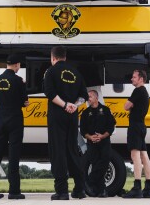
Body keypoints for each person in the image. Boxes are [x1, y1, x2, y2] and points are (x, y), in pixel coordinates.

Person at [43, 46, 89, 200]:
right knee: (72, 149)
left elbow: (50, 93)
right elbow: (84, 96)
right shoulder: (76, 73)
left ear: (53, 57)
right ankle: (79, 189)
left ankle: (62, 191)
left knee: (58, 151)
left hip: (57, 115)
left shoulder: (50, 71)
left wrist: (64, 105)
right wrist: (74, 105)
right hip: (72, 116)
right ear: (65, 57)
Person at [0, 55, 28, 200]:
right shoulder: (18, 80)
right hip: (14, 119)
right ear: (17, 65)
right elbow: (25, 102)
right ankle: (14, 191)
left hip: (0, 119)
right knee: (14, 155)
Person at [123, 69, 150, 199]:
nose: (132, 79)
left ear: (141, 79)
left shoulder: (138, 91)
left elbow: (126, 106)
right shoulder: (145, 93)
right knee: (144, 155)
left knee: (135, 155)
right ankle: (148, 187)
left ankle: (137, 187)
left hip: (135, 126)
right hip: (142, 126)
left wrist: (130, 105)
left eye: (134, 77)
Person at [80, 89, 116, 198]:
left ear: (96, 97)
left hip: (104, 141)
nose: (88, 99)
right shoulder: (85, 113)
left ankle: (88, 181)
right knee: (95, 164)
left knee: (104, 161)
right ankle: (102, 191)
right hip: (91, 143)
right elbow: (83, 130)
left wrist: (102, 136)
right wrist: (90, 137)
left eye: (90, 97)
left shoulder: (105, 110)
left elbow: (111, 127)